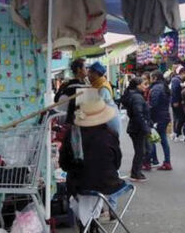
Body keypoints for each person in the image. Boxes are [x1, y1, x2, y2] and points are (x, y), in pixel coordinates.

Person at [59, 98, 126, 232]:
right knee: (93, 187)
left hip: (82, 185)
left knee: (77, 185)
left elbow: (65, 165)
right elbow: (117, 163)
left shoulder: (72, 135)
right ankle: (92, 222)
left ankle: (88, 224)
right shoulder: (110, 134)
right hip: (109, 183)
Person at [122, 77, 151, 182]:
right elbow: (138, 114)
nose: (146, 86)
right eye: (144, 84)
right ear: (138, 85)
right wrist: (145, 127)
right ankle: (135, 173)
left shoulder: (134, 95)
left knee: (141, 150)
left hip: (136, 127)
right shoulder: (137, 97)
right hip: (137, 128)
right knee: (140, 151)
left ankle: (136, 171)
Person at [88, 62, 121, 135]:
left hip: (109, 124)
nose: (88, 75)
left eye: (90, 72)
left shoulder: (103, 88)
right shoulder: (97, 85)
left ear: (96, 73)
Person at [149, 70, 172, 171]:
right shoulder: (164, 86)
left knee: (152, 138)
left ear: (155, 78)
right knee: (162, 139)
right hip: (164, 116)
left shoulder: (157, 88)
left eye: (151, 78)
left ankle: (155, 160)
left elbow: (153, 104)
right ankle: (166, 161)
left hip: (158, 117)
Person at [54, 58, 89, 124]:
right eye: (85, 67)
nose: (87, 70)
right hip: (74, 126)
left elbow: (56, 99)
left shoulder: (66, 85)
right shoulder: (78, 88)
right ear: (79, 69)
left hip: (65, 123)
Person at [171, 65, 185, 142]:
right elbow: (175, 92)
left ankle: (176, 133)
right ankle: (177, 134)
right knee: (181, 118)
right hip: (176, 102)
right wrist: (175, 101)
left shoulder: (176, 80)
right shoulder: (176, 80)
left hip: (177, 101)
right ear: (182, 73)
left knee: (178, 118)